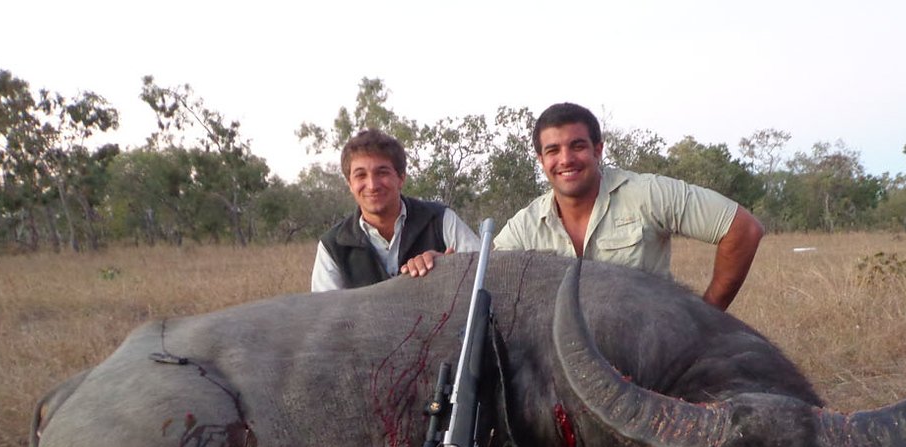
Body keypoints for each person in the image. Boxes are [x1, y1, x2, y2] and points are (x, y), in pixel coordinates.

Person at [493, 102, 764, 311]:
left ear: (597, 150)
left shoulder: (647, 193)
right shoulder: (523, 226)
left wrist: (705, 319)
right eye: (553, 151)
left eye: (577, 146)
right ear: (541, 160)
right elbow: (486, 276)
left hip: (653, 351)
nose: (566, 159)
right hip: (563, 360)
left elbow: (743, 229)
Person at [311, 128, 480, 292]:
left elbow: (486, 275)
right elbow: (325, 316)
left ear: (401, 178)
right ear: (350, 184)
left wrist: (449, 267)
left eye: (382, 172)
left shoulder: (441, 219)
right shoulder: (332, 246)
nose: (372, 185)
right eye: (360, 175)